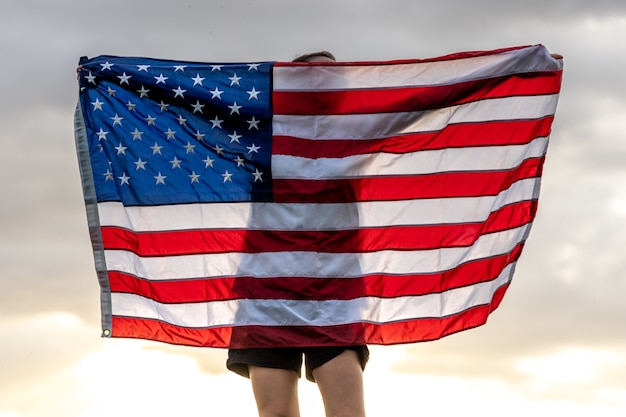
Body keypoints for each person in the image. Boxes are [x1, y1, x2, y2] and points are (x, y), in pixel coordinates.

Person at [226, 51, 369, 417]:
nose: (322, 84)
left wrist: (511, 69)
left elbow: (424, 100)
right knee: (275, 413)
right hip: (266, 289)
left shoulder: (355, 135)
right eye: (311, 76)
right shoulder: (256, 135)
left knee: (347, 413)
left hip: (333, 289)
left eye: (332, 77)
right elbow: (188, 108)